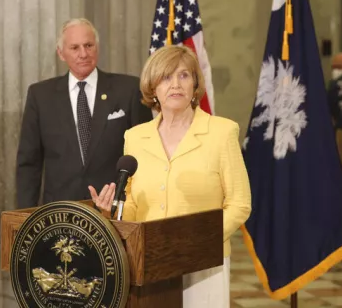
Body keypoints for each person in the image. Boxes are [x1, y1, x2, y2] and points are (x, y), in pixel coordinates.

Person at [89, 45, 252, 307]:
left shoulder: (222, 132)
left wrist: (197, 242)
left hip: (204, 264)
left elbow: (240, 204)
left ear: (195, 84)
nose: (175, 84)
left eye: (184, 75)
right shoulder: (135, 137)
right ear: (153, 88)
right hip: (149, 264)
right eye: (166, 77)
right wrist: (113, 212)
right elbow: (133, 205)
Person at [16, 18, 153, 209]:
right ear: (61, 53)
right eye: (74, 47)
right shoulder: (40, 96)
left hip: (114, 210)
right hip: (60, 215)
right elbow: (29, 165)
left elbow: (145, 155)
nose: (83, 54)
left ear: (97, 47)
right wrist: (24, 217)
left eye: (88, 45)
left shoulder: (128, 90)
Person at [327, 52, 342, 157]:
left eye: (338, 67)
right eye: (334, 67)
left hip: (341, 130)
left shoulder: (334, 85)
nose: (336, 70)